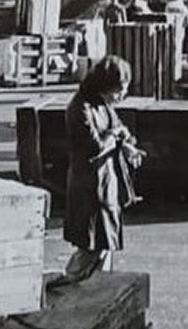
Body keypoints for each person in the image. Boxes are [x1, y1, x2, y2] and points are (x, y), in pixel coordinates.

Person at [59, 55, 144, 284]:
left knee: (105, 246)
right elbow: (93, 146)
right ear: (106, 86)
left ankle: (98, 292)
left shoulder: (102, 104)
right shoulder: (79, 108)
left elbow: (119, 128)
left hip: (106, 186)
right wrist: (116, 136)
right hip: (88, 187)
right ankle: (67, 286)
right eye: (120, 90)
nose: (121, 95)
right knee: (90, 248)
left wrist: (127, 146)